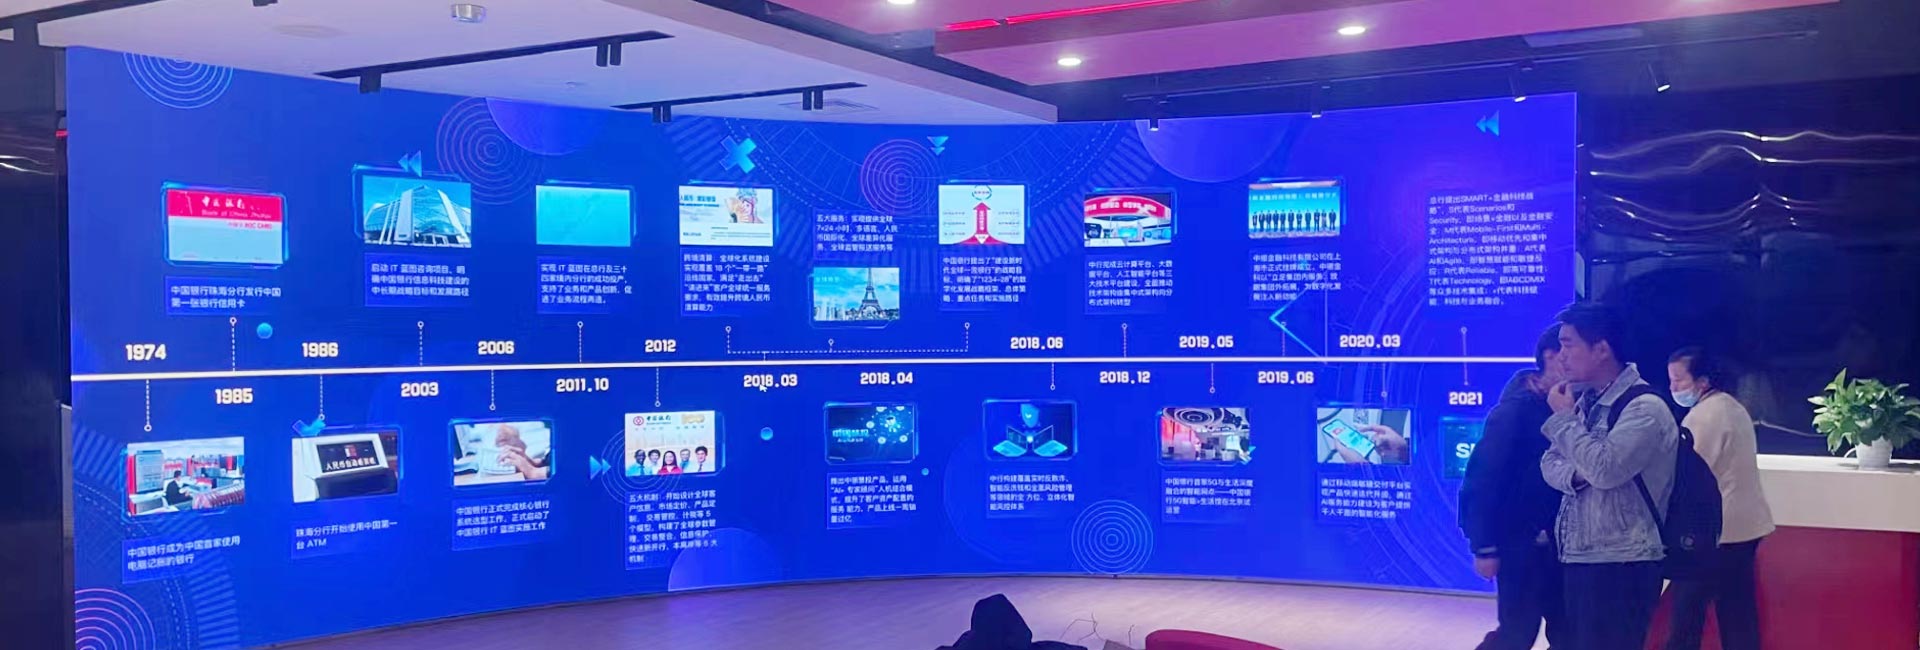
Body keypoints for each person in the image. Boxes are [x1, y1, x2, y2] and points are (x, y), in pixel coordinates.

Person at [1540, 303, 1678, 650]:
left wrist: (1564, 421)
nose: (1560, 356)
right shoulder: (1586, 402)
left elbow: (1605, 470)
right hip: (1579, 555)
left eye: (1568, 344)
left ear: (1602, 349)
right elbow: (1549, 462)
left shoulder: (1644, 407)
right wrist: (1578, 475)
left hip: (1623, 561)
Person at [1459, 325, 1569, 650]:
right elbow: (1483, 479)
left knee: (1570, 633)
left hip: (1566, 546)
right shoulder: (1515, 411)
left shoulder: (1577, 405)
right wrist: (1484, 546)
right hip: (1522, 545)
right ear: (1550, 356)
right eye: (1568, 349)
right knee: (1517, 634)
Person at [1663, 347, 1774, 650]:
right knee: (1738, 613)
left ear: (1702, 381)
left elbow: (1689, 475)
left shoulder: (1705, 416)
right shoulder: (1731, 406)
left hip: (1716, 533)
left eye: (1678, 380)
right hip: (1745, 528)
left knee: (1686, 614)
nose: (1673, 387)